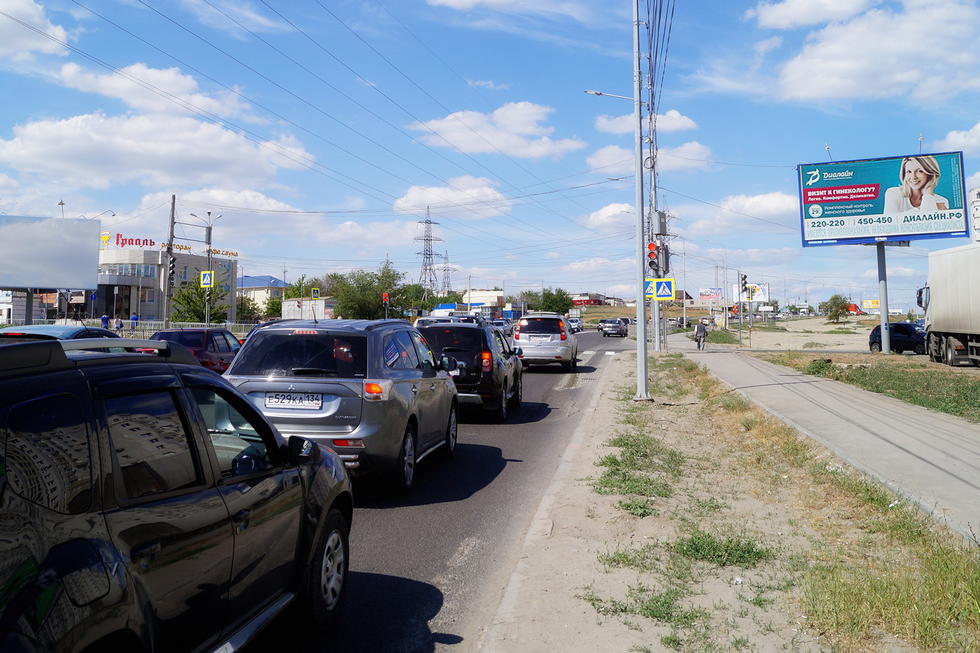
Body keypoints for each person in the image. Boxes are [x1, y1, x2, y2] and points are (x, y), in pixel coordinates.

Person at [882, 156, 949, 214]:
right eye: (909, 171)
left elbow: (929, 224)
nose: (913, 177)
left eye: (920, 171)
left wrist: (928, 196)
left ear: (930, 174)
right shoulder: (893, 193)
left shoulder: (941, 201)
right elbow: (891, 222)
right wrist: (921, 209)